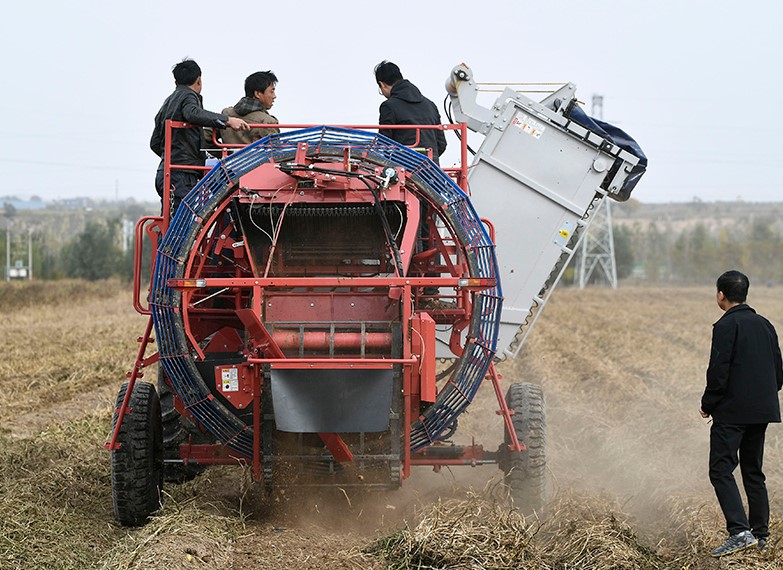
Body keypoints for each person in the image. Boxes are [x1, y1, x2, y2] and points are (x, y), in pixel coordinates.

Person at [700, 270, 783, 557]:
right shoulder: (766, 325)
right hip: (761, 411)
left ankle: (739, 531)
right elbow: (778, 374)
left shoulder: (725, 326)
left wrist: (708, 403)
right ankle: (761, 535)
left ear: (721, 294)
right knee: (753, 472)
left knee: (721, 469)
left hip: (732, 412)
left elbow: (718, 371)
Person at [150, 59, 249, 215]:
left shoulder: (167, 103)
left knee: (170, 223)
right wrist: (227, 121)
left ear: (176, 81)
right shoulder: (189, 96)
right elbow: (192, 113)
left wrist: (170, 157)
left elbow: (154, 142)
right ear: (199, 80)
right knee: (181, 227)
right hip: (182, 174)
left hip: (165, 172)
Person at [374, 60, 447, 164]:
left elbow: (383, 144)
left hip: (404, 170)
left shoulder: (389, 106)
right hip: (431, 170)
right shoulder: (430, 105)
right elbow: (441, 144)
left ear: (382, 84)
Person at [216, 71, 280, 146]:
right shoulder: (268, 122)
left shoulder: (226, 114)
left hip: (229, 157)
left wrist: (223, 153)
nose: (274, 96)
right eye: (272, 91)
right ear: (257, 94)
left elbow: (207, 137)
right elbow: (275, 151)